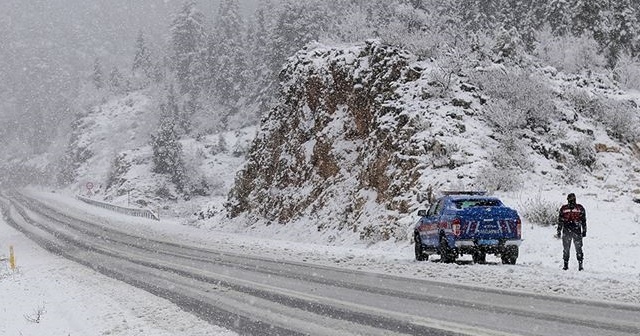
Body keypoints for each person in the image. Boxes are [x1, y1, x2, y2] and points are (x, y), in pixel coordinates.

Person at [556, 193, 587, 271]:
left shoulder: (568, 208)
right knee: (569, 249)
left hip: (574, 230)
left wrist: (584, 230)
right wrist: (559, 231)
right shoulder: (577, 208)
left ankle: (578, 265)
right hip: (571, 230)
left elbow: (583, 220)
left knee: (576, 248)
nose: (572, 201)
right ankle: (568, 265)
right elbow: (560, 221)